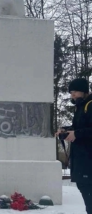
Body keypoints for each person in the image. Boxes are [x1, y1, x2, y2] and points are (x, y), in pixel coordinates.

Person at [55, 78, 92, 214]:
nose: (72, 95)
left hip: (89, 159)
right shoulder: (81, 107)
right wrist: (66, 131)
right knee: (85, 190)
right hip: (82, 159)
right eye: (71, 93)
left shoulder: (90, 105)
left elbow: (84, 131)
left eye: (74, 92)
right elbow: (79, 128)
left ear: (83, 91)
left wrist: (77, 133)